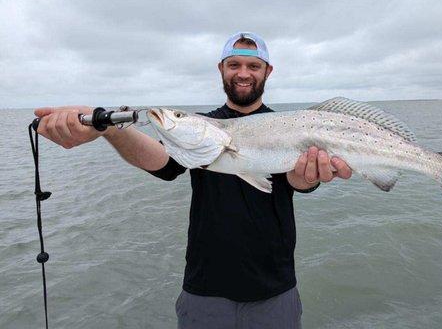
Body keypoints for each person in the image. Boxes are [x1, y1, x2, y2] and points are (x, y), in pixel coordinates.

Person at [34, 32, 352, 328]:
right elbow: (162, 163)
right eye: (234, 64)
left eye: (253, 65)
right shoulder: (202, 133)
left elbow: (299, 181)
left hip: (275, 292)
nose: (243, 72)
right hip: (204, 292)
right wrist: (108, 126)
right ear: (221, 69)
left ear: (267, 71)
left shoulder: (289, 126)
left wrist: (309, 177)